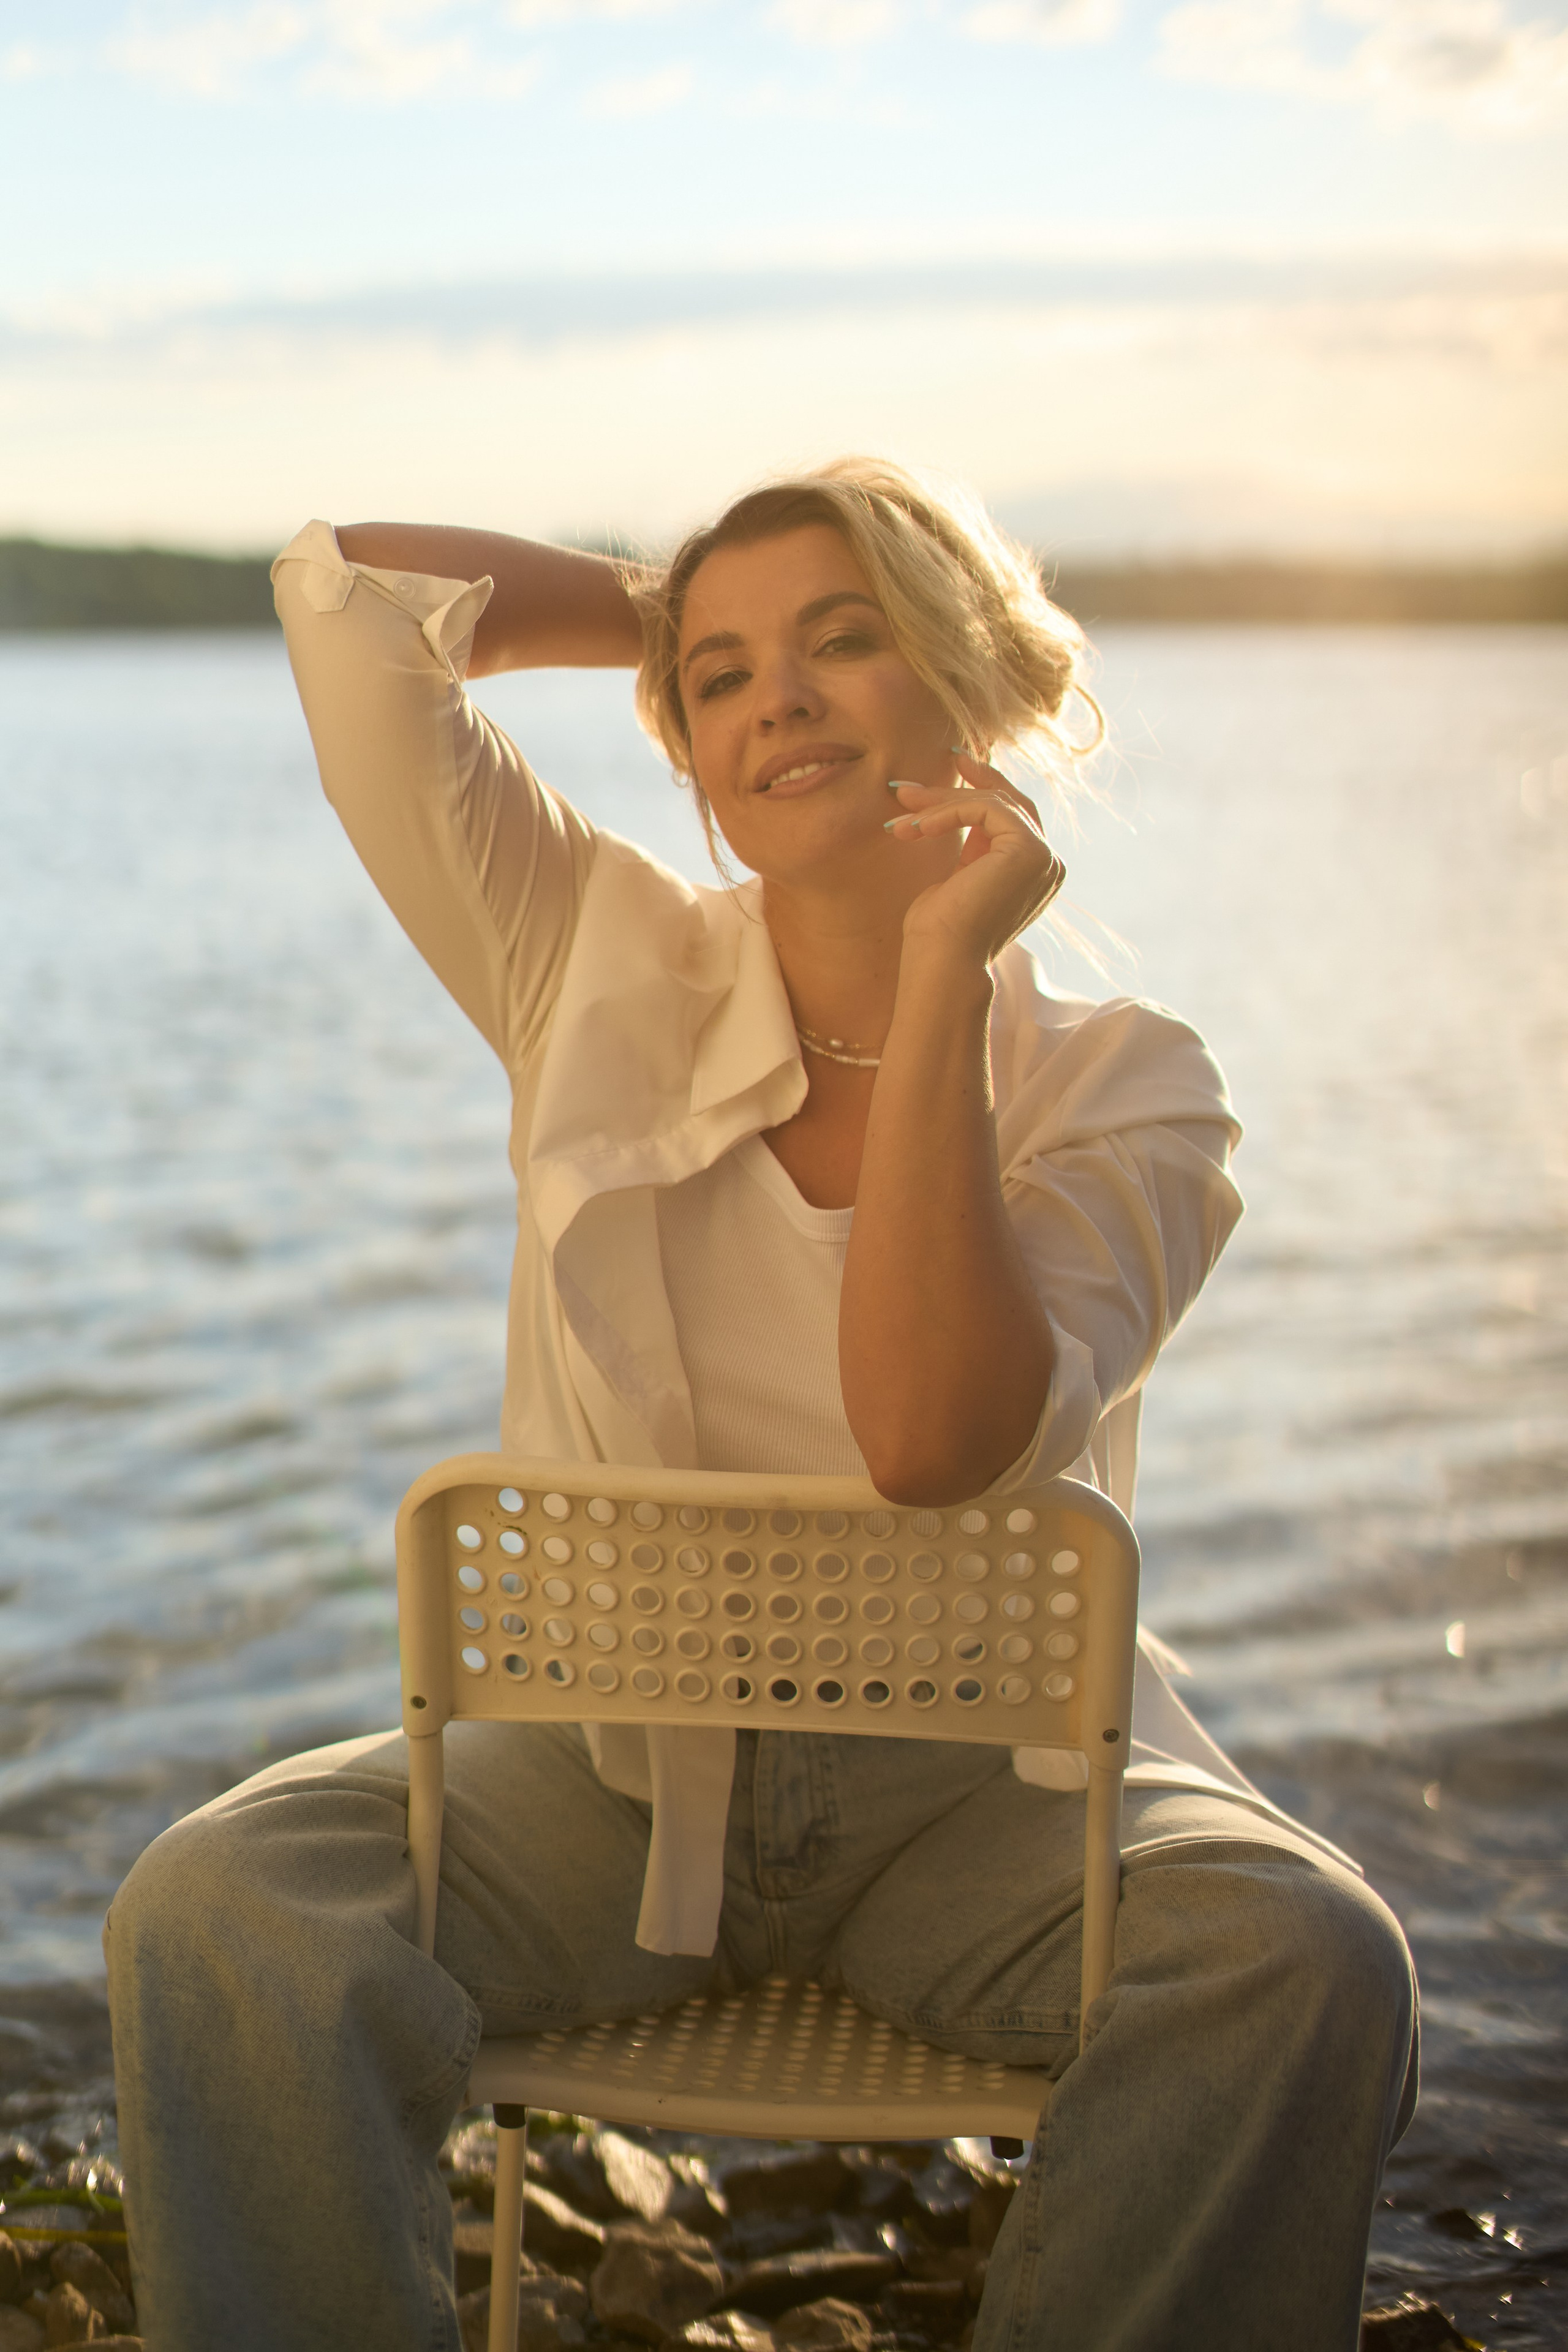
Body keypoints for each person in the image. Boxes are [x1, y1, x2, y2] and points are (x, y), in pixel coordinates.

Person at [105, 460, 1417, 2351]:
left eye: (846, 642)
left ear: (972, 678)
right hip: (604, 1789)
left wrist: (944, 973)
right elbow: (344, 595)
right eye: (724, 685)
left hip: (981, 1820)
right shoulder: (582, 951)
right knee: (221, 1912)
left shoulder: (1135, 1090)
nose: (777, 700)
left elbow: (932, 1440)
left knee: (1305, 1960)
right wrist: (676, 623)